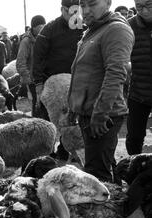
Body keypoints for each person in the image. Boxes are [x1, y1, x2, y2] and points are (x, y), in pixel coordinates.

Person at [68, 0, 134, 182]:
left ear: (108, 2)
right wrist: (74, 106)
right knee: (101, 165)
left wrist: (100, 113)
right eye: (83, 5)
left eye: (93, 4)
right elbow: (79, 71)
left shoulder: (115, 30)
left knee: (96, 175)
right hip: (89, 112)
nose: (86, 10)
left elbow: (116, 74)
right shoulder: (93, 30)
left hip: (102, 116)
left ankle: (105, 209)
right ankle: (117, 202)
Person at [33, 0, 84, 159]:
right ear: (63, 9)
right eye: (71, 11)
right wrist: (39, 83)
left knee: (72, 119)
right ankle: (45, 152)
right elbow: (38, 57)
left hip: (77, 82)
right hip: (52, 84)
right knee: (49, 119)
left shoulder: (84, 27)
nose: (75, 14)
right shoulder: (49, 29)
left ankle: (64, 149)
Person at [125, 0, 152, 155]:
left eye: (148, 5)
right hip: (138, 92)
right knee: (134, 137)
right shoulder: (128, 26)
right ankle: (132, 167)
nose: (144, 11)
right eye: (139, 7)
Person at [17, 15, 46, 114]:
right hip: (33, 79)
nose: (43, 28)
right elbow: (20, 62)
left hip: (43, 76)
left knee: (45, 103)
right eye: (40, 26)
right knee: (37, 103)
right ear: (34, 27)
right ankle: (36, 125)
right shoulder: (26, 41)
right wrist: (28, 79)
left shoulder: (44, 38)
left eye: (44, 26)